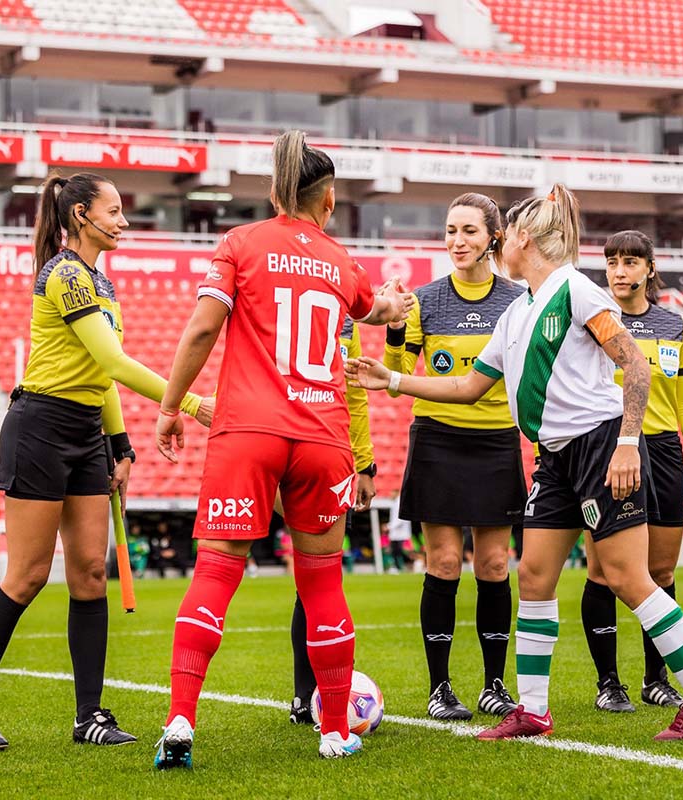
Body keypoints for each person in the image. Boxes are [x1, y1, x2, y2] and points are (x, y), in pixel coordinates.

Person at [348, 183, 683, 742]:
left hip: (602, 446)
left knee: (627, 576)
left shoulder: (576, 290)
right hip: (553, 459)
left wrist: (628, 444)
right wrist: (395, 380)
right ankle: (533, 711)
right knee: (532, 576)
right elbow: (469, 386)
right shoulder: (517, 311)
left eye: (504, 232)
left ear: (522, 237)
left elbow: (636, 367)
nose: (499, 241)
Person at [152, 130, 413, 767]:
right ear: (328, 203)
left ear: (275, 194)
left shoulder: (240, 244)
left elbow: (205, 326)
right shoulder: (340, 258)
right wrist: (395, 305)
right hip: (323, 438)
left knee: (216, 574)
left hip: (249, 433)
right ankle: (333, 730)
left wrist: (169, 408)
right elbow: (372, 307)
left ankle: (181, 722)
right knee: (322, 584)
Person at [0, 171, 213, 752]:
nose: (122, 222)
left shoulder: (101, 282)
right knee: (27, 576)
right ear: (80, 218)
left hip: (86, 432)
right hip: (39, 428)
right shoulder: (67, 275)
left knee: (92, 574)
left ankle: (89, 715)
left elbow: (102, 376)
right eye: (114, 211)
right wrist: (191, 403)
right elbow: (114, 361)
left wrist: (120, 446)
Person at [383, 191, 525, 721]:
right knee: (442, 563)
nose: (457, 242)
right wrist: (396, 324)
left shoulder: (518, 300)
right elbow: (396, 369)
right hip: (439, 438)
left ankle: (494, 684)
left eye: (468, 231)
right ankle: (439, 688)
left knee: (492, 564)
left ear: (492, 237)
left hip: (496, 440)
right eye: (449, 231)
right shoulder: (423, 299)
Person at [580, 230, 683, 713]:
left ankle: (656, 678)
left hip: (663, 453)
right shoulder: (594, 321)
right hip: (609, 450)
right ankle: (608, 683)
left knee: (660, 570)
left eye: (630, 262)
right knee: (602, 571)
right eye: (612, 262)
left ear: (649, 269)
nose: (619, 271)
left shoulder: (675, 326)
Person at [288, 314, 379, 725]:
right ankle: (308, 695)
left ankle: (312, 696)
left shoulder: (346, 322)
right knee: (315, 576)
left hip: (329, 454)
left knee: (319, 575)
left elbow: (356, 396)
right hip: (278, 444)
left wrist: (365, 465)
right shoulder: (283, 300)